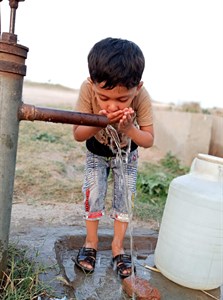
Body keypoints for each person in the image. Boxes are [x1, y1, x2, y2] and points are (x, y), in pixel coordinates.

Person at [72, 37, 154, 278]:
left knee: (124, 199)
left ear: (136, 88)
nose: (113, 106)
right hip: (96, 152)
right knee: (93, 195)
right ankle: (91, 243)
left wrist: (129, 129)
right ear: (92, 83)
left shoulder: (141, 96)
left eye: (122, 99)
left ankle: (118, 247)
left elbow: (148, 139)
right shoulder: (87, 90)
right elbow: (78, 134)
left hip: (127, 155)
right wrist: (100, 121)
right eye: (104, 97)